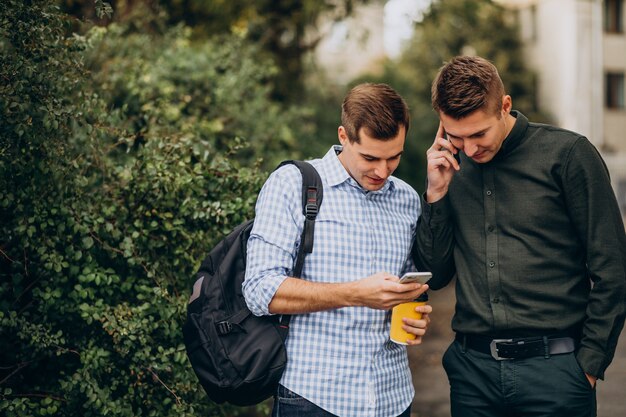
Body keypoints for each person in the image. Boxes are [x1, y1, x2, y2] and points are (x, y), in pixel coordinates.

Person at [414, 55, 626, 417]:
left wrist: (588, 365)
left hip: (557, 374)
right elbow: (436, 271)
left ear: (505, 106)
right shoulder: (450, 167)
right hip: (472, 376)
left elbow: (613, 268)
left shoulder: (569, 156)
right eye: (456, 136)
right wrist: (435, 195)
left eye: (479, 134)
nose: (469, 149)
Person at [243, 83, 432, 417]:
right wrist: (356, 293)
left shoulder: (406, 198)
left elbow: (404, 288)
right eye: (370, 157)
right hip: (313, 398)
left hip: (392, 398)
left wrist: (412, 310)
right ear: (344, 136)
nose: (382, 171)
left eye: (394, 157)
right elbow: (260, 291)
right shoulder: (294, 184)